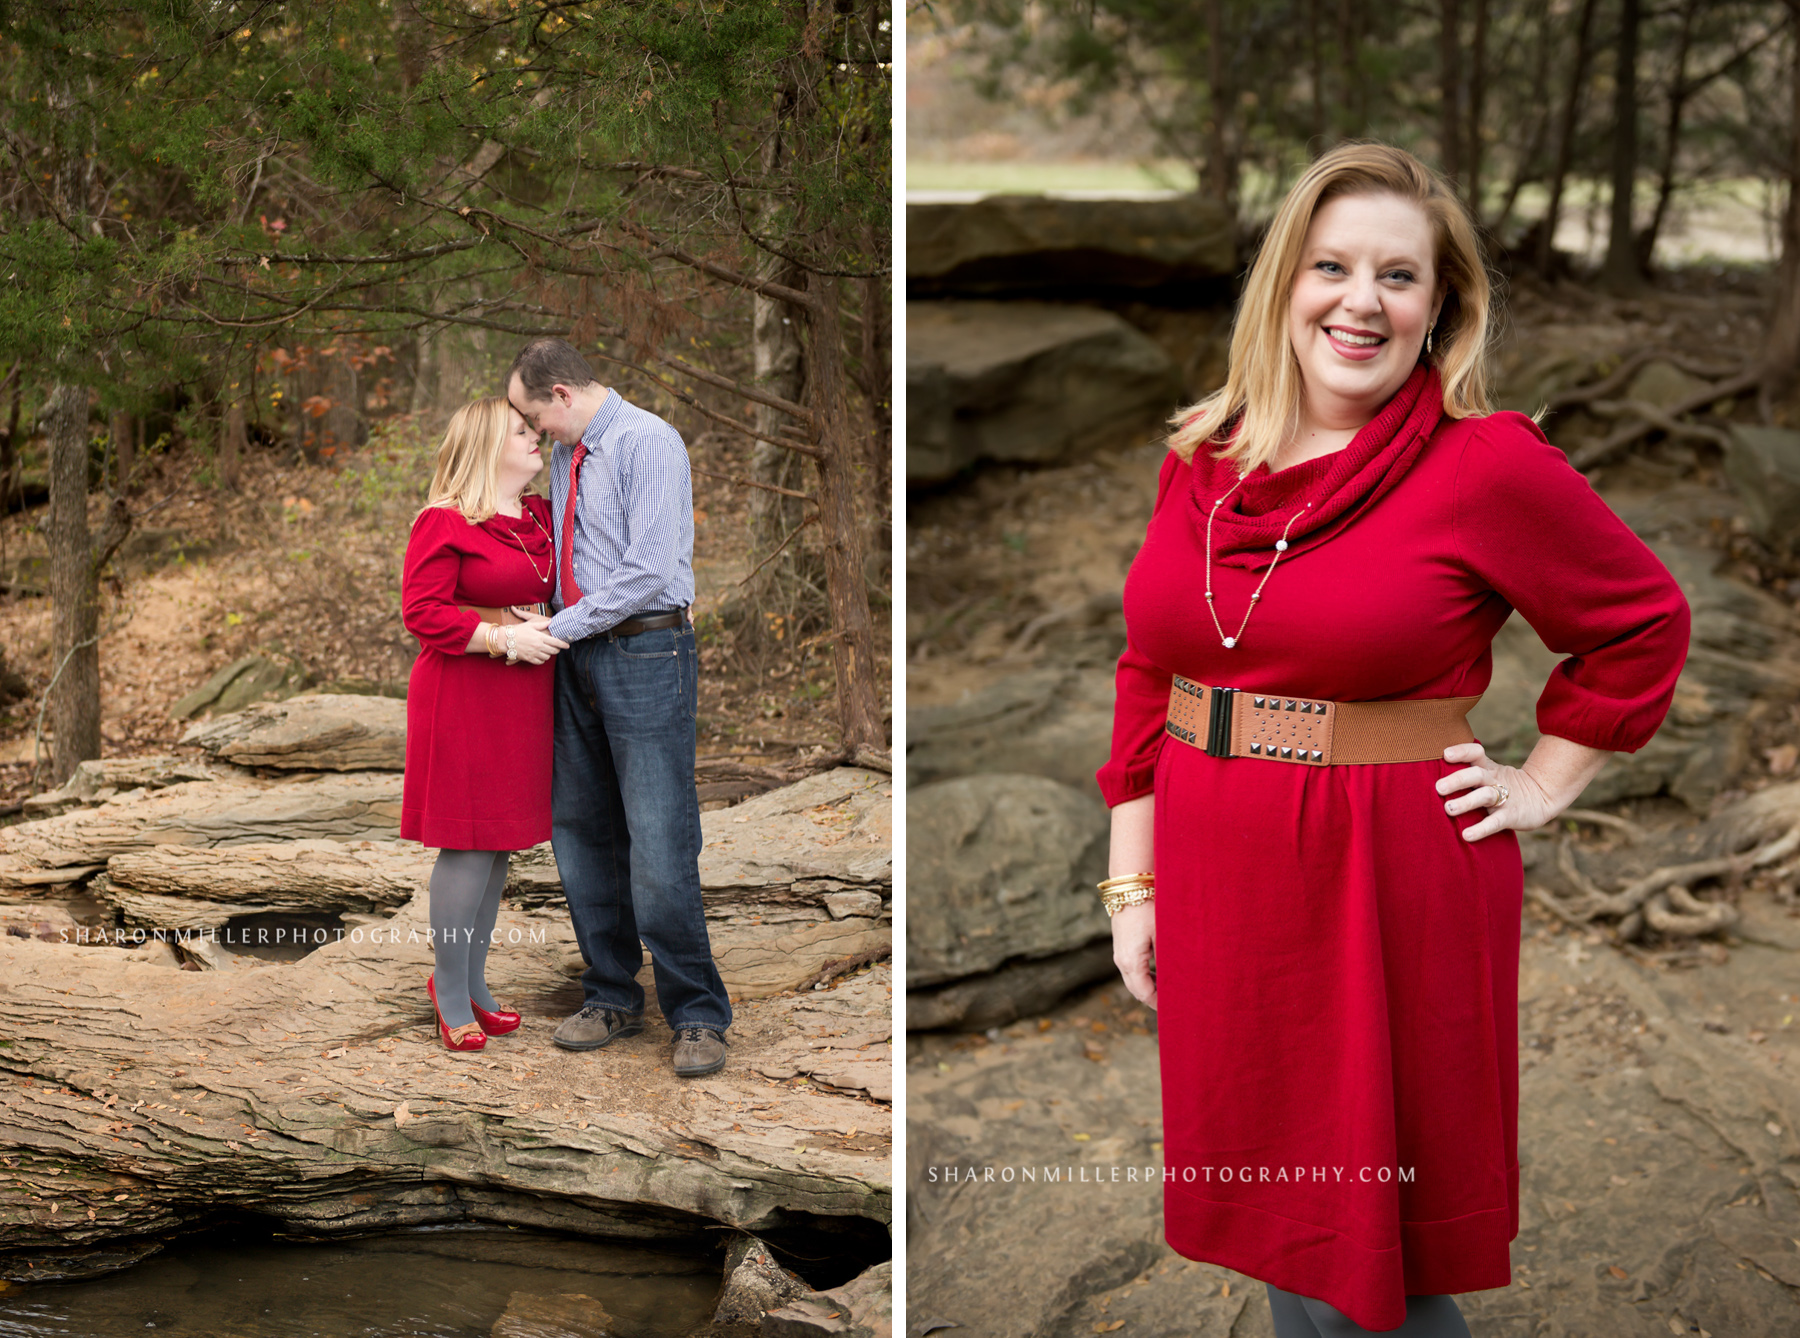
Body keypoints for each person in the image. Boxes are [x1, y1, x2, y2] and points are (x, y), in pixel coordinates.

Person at [1097, 142, 1691, 1336]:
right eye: (1332, 266)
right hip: (1220, 868)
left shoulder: (1485, 467)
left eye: (1399, 277)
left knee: (1366, 1245)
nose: (1361, 300)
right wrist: (1132, 881)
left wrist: (1543, 781)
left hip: (1384, 874)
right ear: (1285, 286)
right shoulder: (1207, 459)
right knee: (1282, 1208)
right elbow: (1151, 670)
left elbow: (1642, 623)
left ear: (1441, 309)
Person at [504, 337, 734, 1078]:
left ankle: (696, 1013)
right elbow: (572, 554)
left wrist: (557, 628)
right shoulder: (569, 454)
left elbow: (647, 568)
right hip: (573, 656)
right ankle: (611, 994)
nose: (531, 430)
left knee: (661, 837)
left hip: (644, 651)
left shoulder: (648, 442)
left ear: (561, 395)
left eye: (531, 413)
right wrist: (534, 613)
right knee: (582, 834)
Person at [401, 397, 570, 1052]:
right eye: (520, 431)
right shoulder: (443, 521)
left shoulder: (538, 516)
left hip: (524, 698)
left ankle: (472, 982)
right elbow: (423, 613)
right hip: (465, 692)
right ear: (483, 446)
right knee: (467, 844)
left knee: (498, 845)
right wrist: (501, 637)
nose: (536, 438)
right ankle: (446, 990)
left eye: (534, 429)